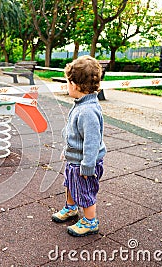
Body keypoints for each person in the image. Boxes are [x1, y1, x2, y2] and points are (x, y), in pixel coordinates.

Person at [52, 55, 107, 237]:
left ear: (75, 85)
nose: (67, 86)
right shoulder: (81, 104)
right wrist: (66, 152)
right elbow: (74, 135)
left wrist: (87, 166)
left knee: (85, 191)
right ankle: (71, 208)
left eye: (67, 83)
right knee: (70, 184)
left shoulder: (88, 111)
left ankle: (91, 222)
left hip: (84, 163)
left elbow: (92, 142)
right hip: (75, 159)